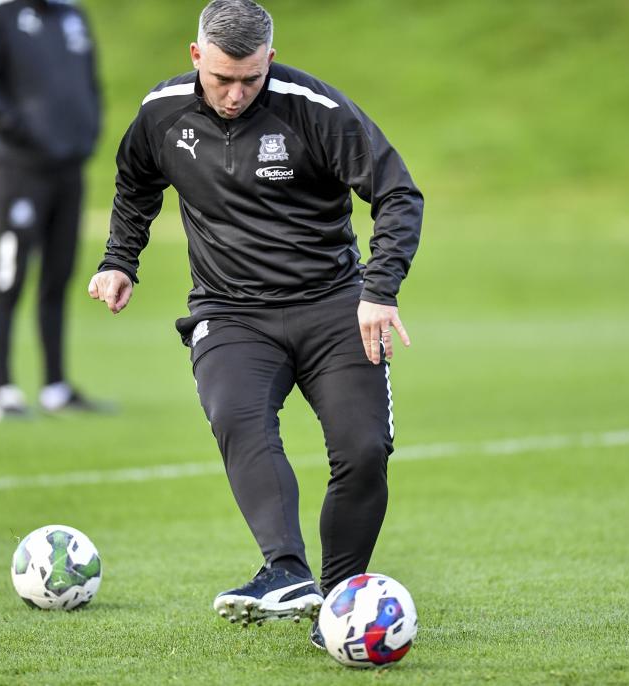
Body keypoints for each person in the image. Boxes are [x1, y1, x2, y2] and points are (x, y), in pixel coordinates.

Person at [89, 0, 423, 648]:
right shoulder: (162, 112)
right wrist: (119, 259)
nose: (236, 93)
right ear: (196, 58)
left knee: (363, 452)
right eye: (221, 79)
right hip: (231, 312)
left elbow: (398, 192)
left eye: (250, 78)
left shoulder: (314, 110)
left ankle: (336, 606)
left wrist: (379, 290)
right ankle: (286, 569)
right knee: (238, 419)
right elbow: (136, 182)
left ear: (270, 57)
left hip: (334, 306)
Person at [0, 0, 103, 422]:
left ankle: (56, 386)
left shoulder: (71, 15)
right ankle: (2, 388)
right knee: (11, 273)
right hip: (20, 169)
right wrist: (24, 131)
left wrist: (86, 130)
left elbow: (88, 83)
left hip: (69, 167)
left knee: (59, 274)